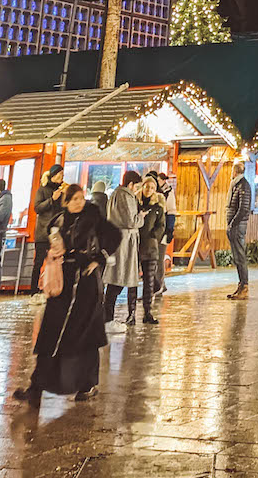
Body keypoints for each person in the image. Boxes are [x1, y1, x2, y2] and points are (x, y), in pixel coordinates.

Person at [13, 183, 119, 409]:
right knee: (50, 334)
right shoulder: (59, 221)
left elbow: (114, 237)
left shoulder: (94, 218)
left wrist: (97, 259)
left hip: (86, 285)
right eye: (73, 199)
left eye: (81, 198)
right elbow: (51, 244)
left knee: (84, 334)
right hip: (63, 282)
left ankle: (88, 383)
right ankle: (36, 386)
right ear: (66, 202)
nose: (78, 202)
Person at [103, 170, 143, 325]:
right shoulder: (126, 196)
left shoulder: (114, 194)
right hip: (125, 242)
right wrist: (141, 218)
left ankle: (109, 317)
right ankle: (108, 318)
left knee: (117, 278)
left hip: (117, 240)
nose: (137, 190)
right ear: (131, 184)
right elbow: (131, 221)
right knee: (118, 280)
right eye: (137, 186)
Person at [137, 174, 165, 324]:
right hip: (135, 246)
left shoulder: (157, 208)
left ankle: (147, 312)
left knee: (149, 281)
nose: (149, 189)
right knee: (133, 281)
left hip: (150, 248)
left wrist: (154, 236)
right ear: (142, 187)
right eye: (147, 186)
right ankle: (131, 312)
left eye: (152, 187)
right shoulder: (135, 204)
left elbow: (161, 225)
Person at [32, 164, 66, 290]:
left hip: (58, 234)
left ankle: (54, 287)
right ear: (54, 175)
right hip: (43, 233)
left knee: (57, 262)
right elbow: (37, 208)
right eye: (60, 174)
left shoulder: (62, 191)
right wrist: (52, 199)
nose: (62, 176)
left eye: (62, 174)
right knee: (38, 263)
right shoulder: (42, 190)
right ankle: (34, 290)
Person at [226, 159, 252, 299]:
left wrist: (232, 224)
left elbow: (243, 208)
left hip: (237, 226)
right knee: (237, 257)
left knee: (240, 256)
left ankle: (245, 286)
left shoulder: (243, 186)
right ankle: (241, 285)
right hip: (234, 225)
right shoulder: (236, 185)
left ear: (235, 172)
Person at [158, 174, 176, 292]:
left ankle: (159, 284)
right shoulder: (157, 191)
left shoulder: (168, 192)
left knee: (159, 258)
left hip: (163, 229)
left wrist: (170, 229)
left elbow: (171, 211)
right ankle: (160, 284)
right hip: (157, 228)